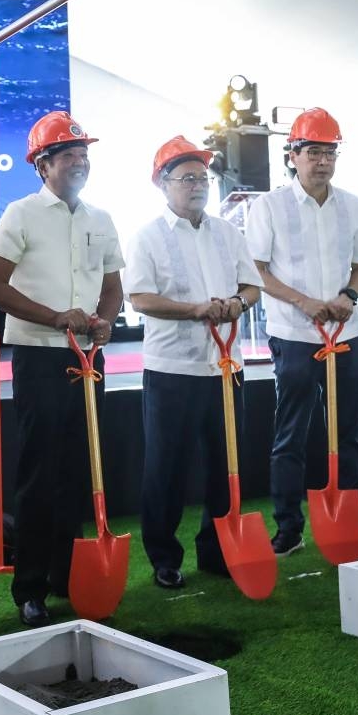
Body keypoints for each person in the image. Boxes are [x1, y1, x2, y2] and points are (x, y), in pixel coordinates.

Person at [0, 111, 123, 627]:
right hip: (41, 356)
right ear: (43, 165)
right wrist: (54, 317)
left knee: (79, 470)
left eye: (84, 155)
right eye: (68, 155)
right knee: (39, 473)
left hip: (89, 356)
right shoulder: (20, 215)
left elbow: (112, 284)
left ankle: (68, 576)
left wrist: (104, 321)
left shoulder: (100, 219)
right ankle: (30, 587)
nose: (80, 163)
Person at [123, 135, 262, 589]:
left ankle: (217, 549)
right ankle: (164, 557)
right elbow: (140, 297)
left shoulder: (228, 233)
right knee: (166, 467)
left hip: (226, 366)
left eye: (203, 177)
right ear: (163, 184)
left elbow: (252, 287)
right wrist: (196, 310)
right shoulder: (147, 236)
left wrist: (238, 304)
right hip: (172, 369)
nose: (198, 185)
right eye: (187, 178)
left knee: (228, 464)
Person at [244, 109, 358, 560]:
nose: (322, 161)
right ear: (293, 156)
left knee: (348, 433)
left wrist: (348, 294)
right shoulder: (269, 207)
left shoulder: (354, 207)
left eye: (329, 152)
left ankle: (349, 526)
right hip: (294, 333)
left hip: (348, 331)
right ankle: (288, 527)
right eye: (313, 152)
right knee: (292, 431)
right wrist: (303, 302)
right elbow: (258, 271)